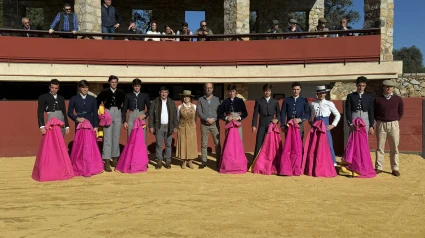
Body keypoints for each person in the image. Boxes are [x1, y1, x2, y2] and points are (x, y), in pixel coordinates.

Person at [374, 80, 404, 177]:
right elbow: (374, 112)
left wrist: (394, 120)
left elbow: (401, 112)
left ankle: (395, 168)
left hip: (393, 124)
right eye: (387, 86)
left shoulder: (398, 99)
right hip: (381, 124)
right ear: (383, 87)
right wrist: (379, 120)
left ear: (393, 88)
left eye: (390, 87)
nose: (389, 88)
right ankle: (379, 167)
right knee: (380, 147)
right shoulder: (378, 99)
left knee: (394, 147)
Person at [97, 75, 125, 172]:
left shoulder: (121, 92)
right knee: (108, 138)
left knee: (116, 137)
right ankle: (107, 161)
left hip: (117, 112)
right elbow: (97, 102)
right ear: (109, 82)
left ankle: (115, 159)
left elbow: (124, 105)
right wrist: (101, 114)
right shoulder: (104, 92)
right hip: (107, 112)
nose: (114, 84)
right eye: (112, 82)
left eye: (115, 82)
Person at [309, 85, 341, 166]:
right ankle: (315, 163)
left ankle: (333, 163)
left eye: (323, 93)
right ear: (317, 94)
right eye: (319, 93)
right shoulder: (313, 103)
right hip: (316, 126)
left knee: (329, 144)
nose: (321, 94)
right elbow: (309, 114)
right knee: (315, 144)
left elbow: (338, 115)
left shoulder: (329, 103)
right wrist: (310, 122)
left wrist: (333, 125)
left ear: (325, 93)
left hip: (325, 125)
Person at [148, 86, 178, 170]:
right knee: (159, 145)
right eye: (162, 92)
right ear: (159, 93)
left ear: (168, 93)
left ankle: (168, 161)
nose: (164, 94)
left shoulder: (171, 102)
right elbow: (151, 115)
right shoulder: (155, 102)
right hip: (159, 126)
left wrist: (175, 126)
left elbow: (175, 115)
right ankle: (159, 161)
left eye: (165, 92)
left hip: (169, 126)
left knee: (168, 145)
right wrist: (151, 126)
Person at [252, 83, 280, 160]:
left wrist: (277, 119)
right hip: (262, 124)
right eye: (265, 91)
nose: (267, 93)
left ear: (271, 91)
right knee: (259, 142)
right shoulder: (259, 101)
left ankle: (270, 161)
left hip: (271, 124)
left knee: (271, 143)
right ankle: (255, 161)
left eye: (268, 91)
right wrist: (254, 125)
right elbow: (255, 114)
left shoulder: (275, 102)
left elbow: (278, 114)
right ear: (263, 91)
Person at [197, 83, 221, 169]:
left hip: (215, 124)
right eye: (207, 88)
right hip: (204, 124)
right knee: (204, 143)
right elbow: (199, 112)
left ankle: (219, 161)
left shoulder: (217, 99)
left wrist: (213, 119)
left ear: (213, 89)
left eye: (210, 88)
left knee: (217, 143)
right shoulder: (200, 99)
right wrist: (207, 119)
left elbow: (219, 112)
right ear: (204, 89)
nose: (209, 89)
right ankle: (204, 161)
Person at [176, 90, 198, 169]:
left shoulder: (194, 106)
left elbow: (195, 118)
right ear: (182, 98)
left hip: (191, 127)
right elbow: (178, 118)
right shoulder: (179, 107)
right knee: (183, 143)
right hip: (182, 127)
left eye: (187, 97)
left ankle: (190, 161)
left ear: (190, 98)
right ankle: (184, 161)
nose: (186, 98)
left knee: (191, 143)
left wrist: (192, 124)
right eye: (184, 97)